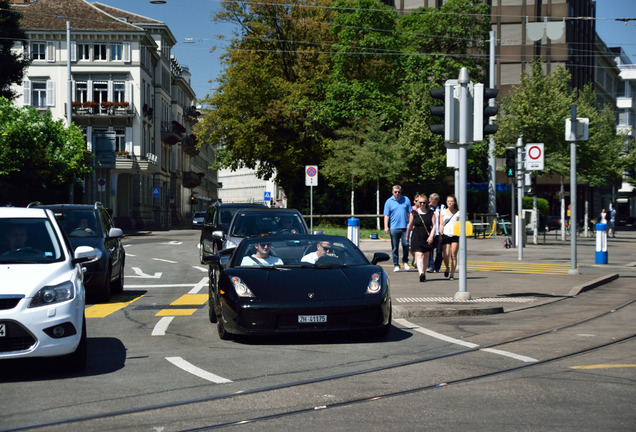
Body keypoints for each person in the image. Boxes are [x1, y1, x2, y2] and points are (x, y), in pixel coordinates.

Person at [406, 194, 437, 282]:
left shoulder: (431, 213)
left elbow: (434, 226)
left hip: (427, 235)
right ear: (417, 203)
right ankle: (421, 274)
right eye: (420, 202)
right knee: (419, 255)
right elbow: (410, 225)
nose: (422, 204)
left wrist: (431, 236)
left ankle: (424, 271)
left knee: (425, 255)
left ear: (426, 203)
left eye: (424, 202)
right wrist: (407, 236)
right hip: (417, 235)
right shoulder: (414, 213)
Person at [383, 185, 412, 272]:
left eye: (399, 192)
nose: (397, 193)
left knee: (406, 245)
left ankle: (405, 261)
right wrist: (386, 226)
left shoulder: (406, 199)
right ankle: (396, 264)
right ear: (392, 192)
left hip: (405, 227)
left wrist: (411, 224)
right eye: (395, 192)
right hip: (394, 228)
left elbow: (410, 213)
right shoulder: (388, 202)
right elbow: (386, 215)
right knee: (395, 247)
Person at [440, 195, 460, 281]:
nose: (450, 203)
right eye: (448, 201)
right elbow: (441, 224)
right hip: (445, 234)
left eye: (451, 201)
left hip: (455, 234)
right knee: (446, 254)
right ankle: (447, 267)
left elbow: (460, 224)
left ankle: (452, 274)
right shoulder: (443, 212)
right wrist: (440, 234)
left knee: (453, 255)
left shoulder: (458, 212)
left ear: (454, 202)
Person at [427, 193, 443, 273]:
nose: (430, 201)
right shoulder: (427, 207)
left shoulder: (441, 207)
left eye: (432, 200)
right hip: (430, 232)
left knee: (439, 251)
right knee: (430, 250)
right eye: (430, 199)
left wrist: (441, 233)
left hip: (439, 232)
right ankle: (430, 266)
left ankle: (437, 267)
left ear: (436, 200)